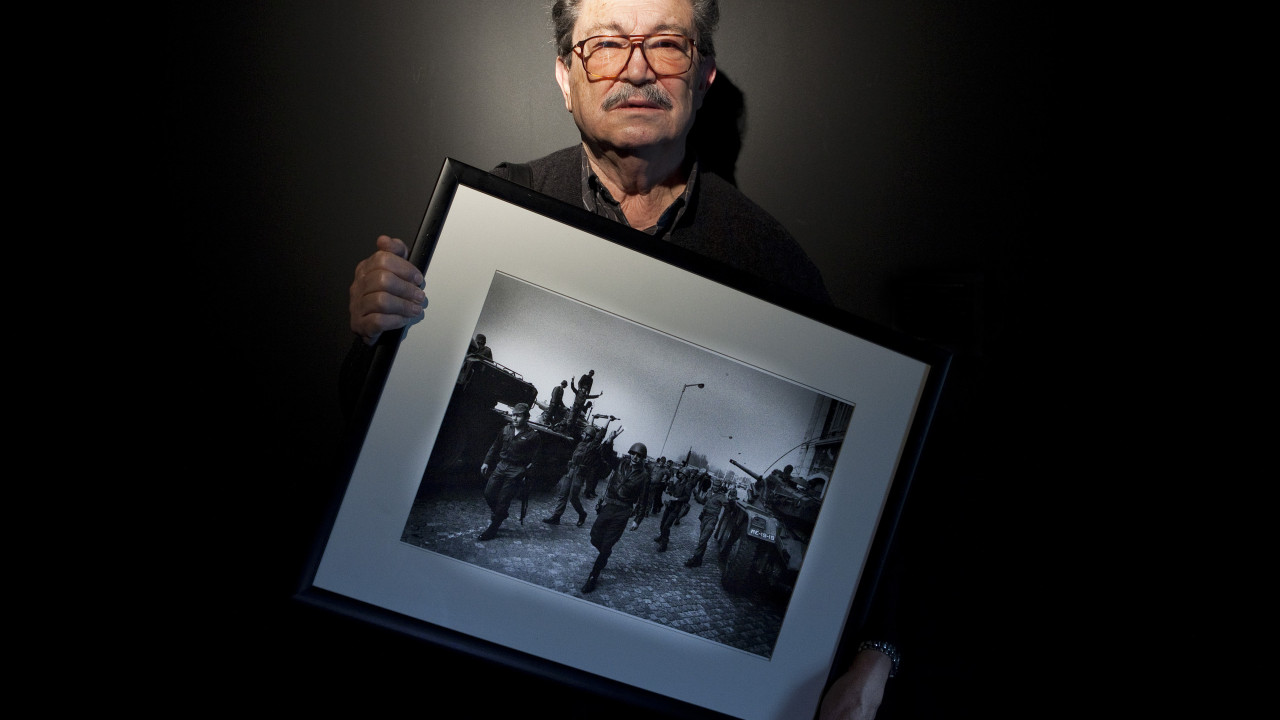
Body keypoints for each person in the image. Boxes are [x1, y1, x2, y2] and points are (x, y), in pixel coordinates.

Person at [342, 0, 893, 713]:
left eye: (666, 43)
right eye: (604, 44)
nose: (635, 70)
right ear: (565, 76)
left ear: (704, 75)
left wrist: (878, 655)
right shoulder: (486, 214)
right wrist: (372, 335)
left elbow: (871, 501)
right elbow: (364, 429)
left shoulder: (777, 266)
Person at [581, 441, 652, 593]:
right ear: (630, 453)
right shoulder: (620, 463)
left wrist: (637, 520)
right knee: (594, 536)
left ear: (643, 458)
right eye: (633, 454)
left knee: (606, 545)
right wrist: (610, 440)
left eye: (639, 456)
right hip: (608, 505)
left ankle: (593, 576)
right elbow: (605, 454)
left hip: (623, 511)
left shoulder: (644, 476)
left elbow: (643, 500)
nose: (635, 458)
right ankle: (605, 553)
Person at [478, 403, 542, 540]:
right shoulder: (506, 429)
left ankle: (492, 529)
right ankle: (500, 513)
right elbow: (495, 446)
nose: (514, 418)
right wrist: (486, 462)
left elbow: (535, 459)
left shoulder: (533, 436)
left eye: (518, 416)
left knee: (503, 500)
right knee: (488, 493)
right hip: (501, 466)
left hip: (516, 470)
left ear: (526, 417)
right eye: (513, 415)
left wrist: (527, 474)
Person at [684, 472, 728, 567]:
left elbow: (727, 505)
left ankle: (695, 559)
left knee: (703, 540)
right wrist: (696, 494)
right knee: (702, 539)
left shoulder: (721, 496)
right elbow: (702, 501)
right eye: (715, 485)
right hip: (704, 517)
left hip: (712, 519)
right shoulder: (709, 492)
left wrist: (730, 502)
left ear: (720, 487)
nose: (715, 487)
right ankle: (699, 560)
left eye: (717, 486)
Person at [653, 463, 695, 552]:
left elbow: (687, 497)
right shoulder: (678, 482)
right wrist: (670, 485)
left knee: (666, 526)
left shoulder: (687, 485)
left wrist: (676, 498)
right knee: (662, 523)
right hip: (670, 505)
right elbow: (673, 490)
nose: (678, 474)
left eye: (680, 473)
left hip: (676, 508)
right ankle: (661, 536)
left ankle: (664, 545)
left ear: (685, 475)